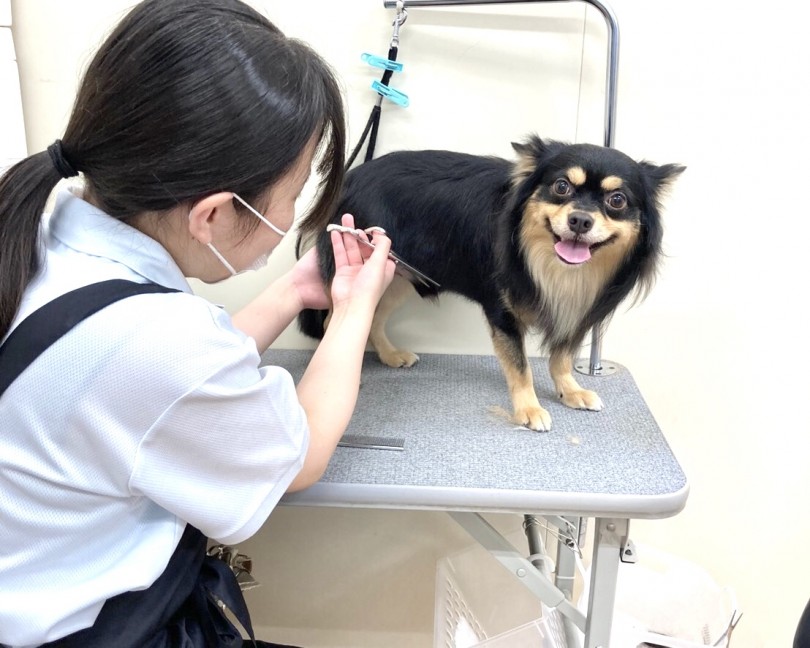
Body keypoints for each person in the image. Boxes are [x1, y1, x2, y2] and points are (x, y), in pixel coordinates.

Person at [0, 1, 395, 646]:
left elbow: (150, 399)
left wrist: (296, 290)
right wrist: (355, 310)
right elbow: (298, 456)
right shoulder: (164, 344)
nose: (294, 210)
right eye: (293, 191)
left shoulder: (44, 230)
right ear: (212, 215)